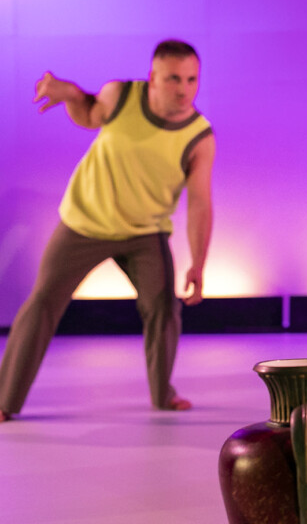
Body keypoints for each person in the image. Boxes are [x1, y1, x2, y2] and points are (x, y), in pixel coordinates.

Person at [0, 40, 216, 423]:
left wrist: (198, 263)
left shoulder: (199, 136)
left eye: (191, 79)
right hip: (86, 221)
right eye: (173, 79)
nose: (183, 88)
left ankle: (162, 394)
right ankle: (4, 399)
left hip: (145, 233)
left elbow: (200, 202)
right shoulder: (122, 95)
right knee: (42, 302)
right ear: (153, 78)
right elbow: (87, 113)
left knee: (164, 308)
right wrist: (67, 93)